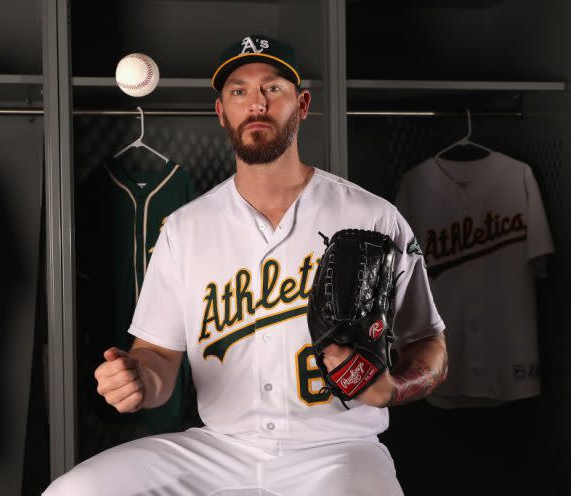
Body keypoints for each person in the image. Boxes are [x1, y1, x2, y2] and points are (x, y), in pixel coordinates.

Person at [44, 35, 448, 496]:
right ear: (221, 111)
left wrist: (392, 388)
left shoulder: (373, 216)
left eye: (272, 88)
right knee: (75, 491)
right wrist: (137, 377)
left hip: (339, 448)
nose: (256, 103)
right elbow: (157, 358)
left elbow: (429, 344)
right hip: (222, 449)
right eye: (239, 91)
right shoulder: (184, 228)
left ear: (302, 103)